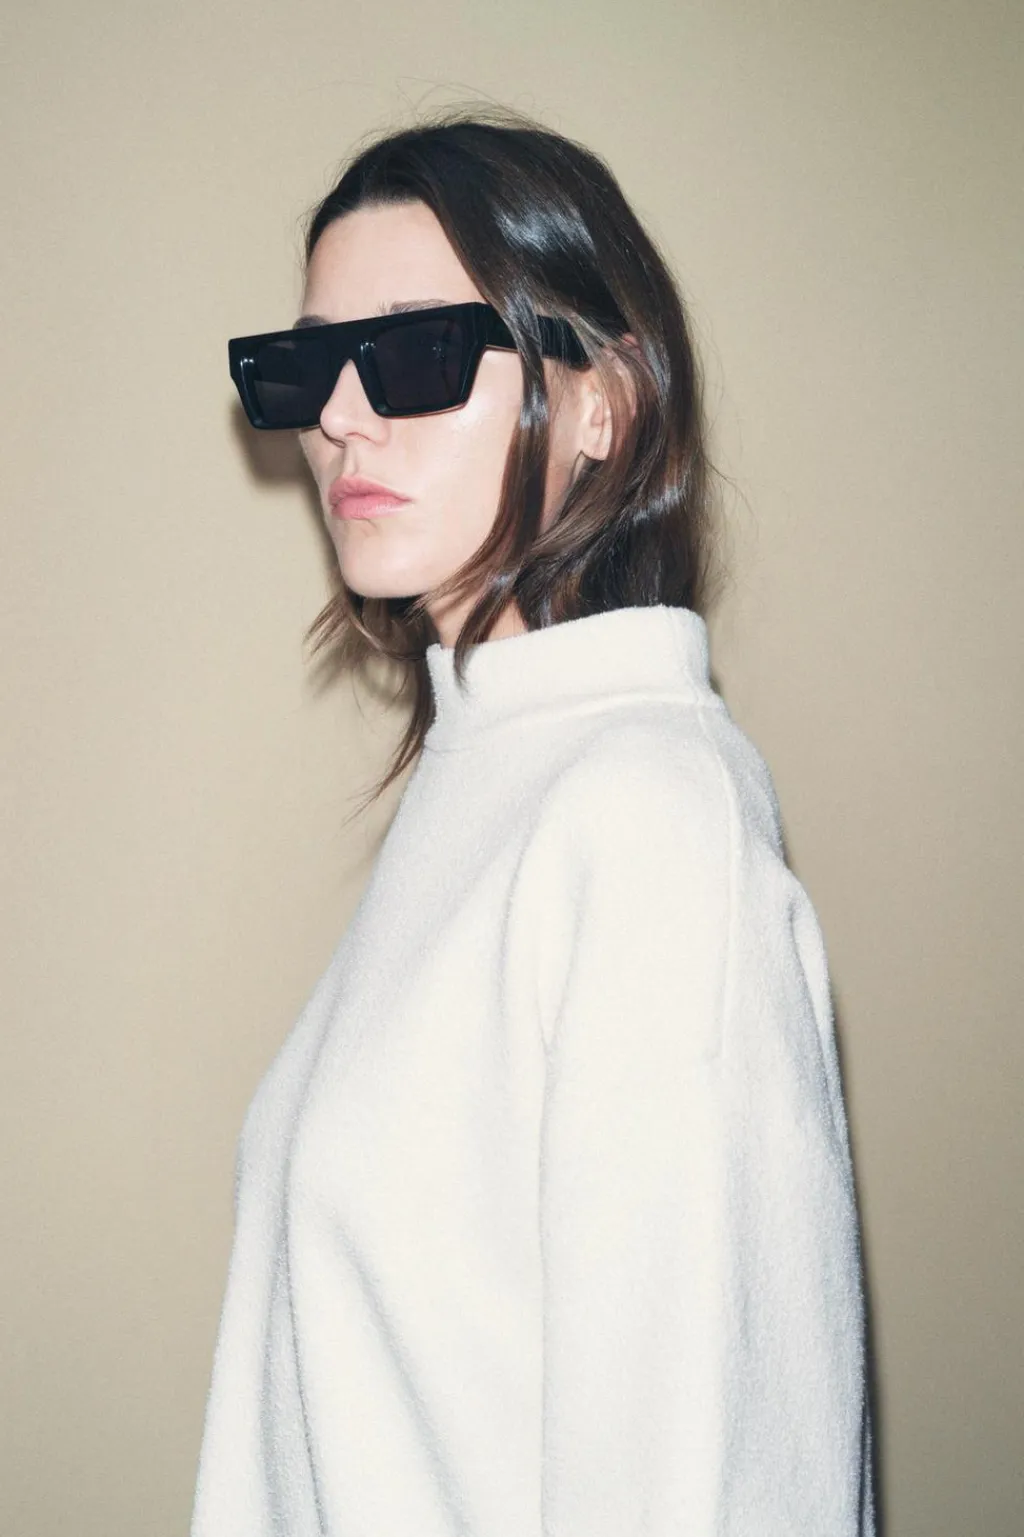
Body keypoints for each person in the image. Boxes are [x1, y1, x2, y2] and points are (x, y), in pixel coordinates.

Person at [193, 106, 875, 1536]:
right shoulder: (492, 770)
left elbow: (720, 1471)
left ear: (601, 403)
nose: (341, 416)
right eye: (305, 366)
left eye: (418, 355)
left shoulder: (646, 813)